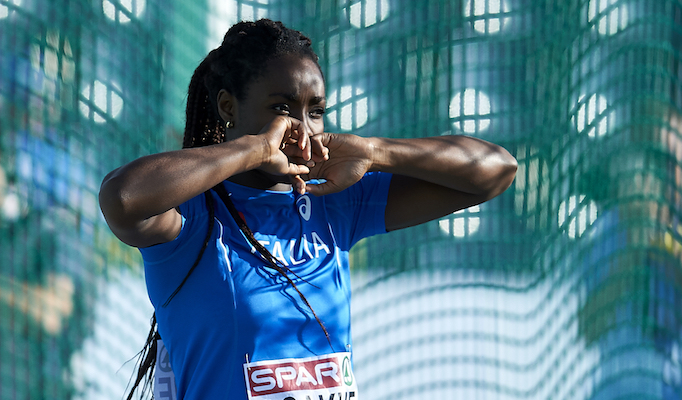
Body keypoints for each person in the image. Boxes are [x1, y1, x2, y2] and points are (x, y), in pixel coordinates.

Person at [98, 19, 517, 400]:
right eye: (281, 108)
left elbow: (495, 171)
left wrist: (375, 151)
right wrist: (256, 148)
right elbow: (122, 197)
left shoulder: (335, 201)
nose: (301, 128)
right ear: (229, 107)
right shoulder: (191, 217)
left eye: (315, 111)